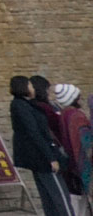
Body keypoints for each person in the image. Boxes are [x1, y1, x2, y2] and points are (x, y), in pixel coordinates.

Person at [11, 74, 74, 216]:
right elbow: (35, 133)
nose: (32, 88)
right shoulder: (21, 106)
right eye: (29, 85)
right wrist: (51, 158)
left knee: (50, 197)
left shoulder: (28, 105)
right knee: (59, 196)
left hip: (40, 157)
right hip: (43, 158)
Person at [53, 84, 92, 216]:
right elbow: (85, 144)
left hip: (71, 165)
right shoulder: (77, 116)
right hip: (82, 164)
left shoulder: (65, 114)